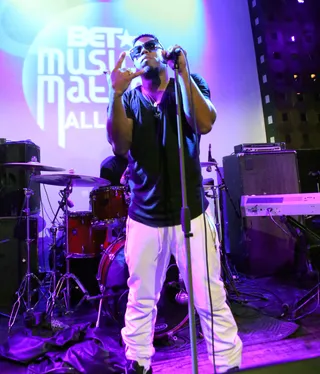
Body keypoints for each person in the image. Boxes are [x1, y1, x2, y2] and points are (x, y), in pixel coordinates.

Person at [106, 34, 242, 374]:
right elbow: (120, 145)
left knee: (208, 295)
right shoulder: (130, 99)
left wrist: (181, 73)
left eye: (150, 45)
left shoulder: (189, 82)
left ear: (163, 51)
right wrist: (116, 92)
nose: (144, 51)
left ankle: (226, 364)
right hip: (144, 217)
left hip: (191, 213)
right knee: (141, 297)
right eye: (137, 50)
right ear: (134, 62)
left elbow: (206, 122)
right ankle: (138, 362)